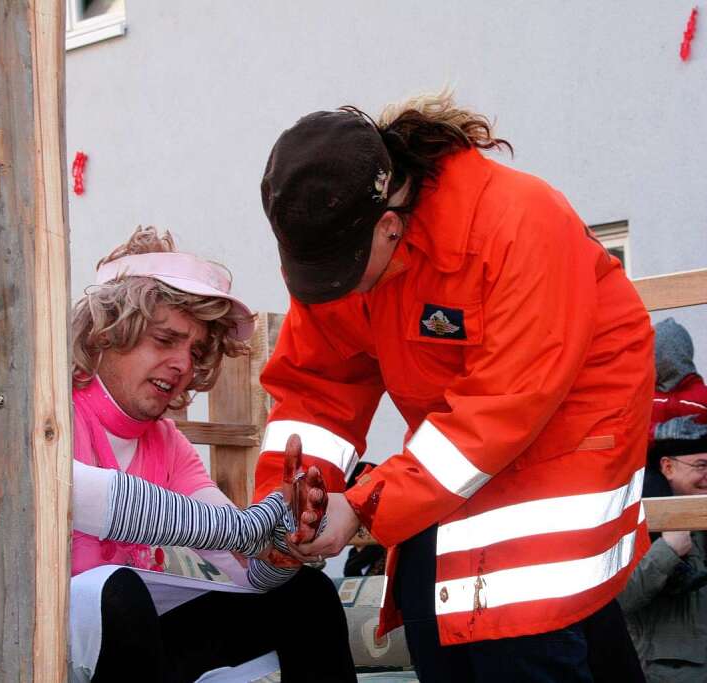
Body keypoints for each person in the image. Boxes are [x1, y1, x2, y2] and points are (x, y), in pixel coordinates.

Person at [251, 92, 654, 681]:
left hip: (568, 432)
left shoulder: (518, 221)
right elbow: (317, 387)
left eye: (340, 277)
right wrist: (292, 500)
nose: (333, 291)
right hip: (470, 436)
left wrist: (360, 505)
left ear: (389, 225)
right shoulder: (338, 245)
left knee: (516, 608)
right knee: (431, 587)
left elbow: (500, 410)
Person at [0, 227, 353, 682]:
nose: (184, 364)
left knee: (305, 594)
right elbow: (75, 494)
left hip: (86, 653)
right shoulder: (18, 403)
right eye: (165, 340)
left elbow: (244, 571)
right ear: (107, 334)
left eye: (195, 350)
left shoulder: (165, 442)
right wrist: (250, 525)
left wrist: (283, 547)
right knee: (114, 592)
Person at [618, 417, 707, 682]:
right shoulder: (633, 517)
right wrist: (666, 552)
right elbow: (621, 599)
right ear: (667, 467)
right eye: (702, 466)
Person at [652, 317, 707, 453]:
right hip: (651, 468)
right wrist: (658, 432)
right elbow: (628, 432)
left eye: (650, 357)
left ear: (670, 360)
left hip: (698, 467)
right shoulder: (642, 399)